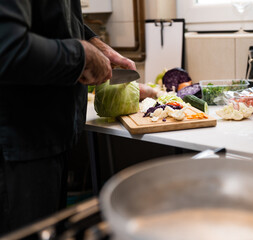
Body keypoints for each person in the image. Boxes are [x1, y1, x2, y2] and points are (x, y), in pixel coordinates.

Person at [0, 0, 154, 234]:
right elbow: (7, 46)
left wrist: (92, 42)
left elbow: (53, 17)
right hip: (17, 144)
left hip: (49, 138)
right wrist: (81, 56)